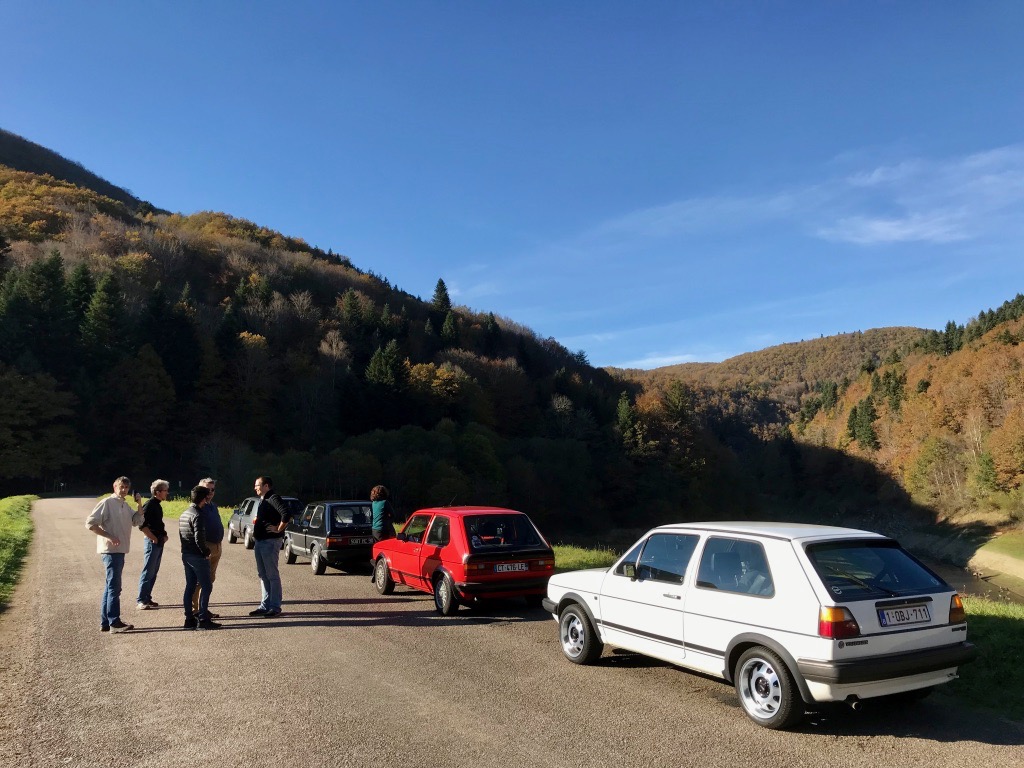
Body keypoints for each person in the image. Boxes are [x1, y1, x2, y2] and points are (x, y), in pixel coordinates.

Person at [86, 476, 144, 633]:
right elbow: (90, 524)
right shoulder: (107, 502)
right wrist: (109, 536)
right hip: (111, 551)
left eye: (126, 487)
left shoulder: (124, 504)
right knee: (114, 587)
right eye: (121, 486)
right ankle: (114, 622)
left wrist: (139, 503)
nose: (123, 490)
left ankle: (106, 622)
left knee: (110, 587)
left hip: (120, 550)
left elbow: (137, 521)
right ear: (114, 487)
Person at [179, 485, 220, 630]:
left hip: (186, 554)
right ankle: (203, 619)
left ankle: (189, 619)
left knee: (190, 586)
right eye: (207, 495)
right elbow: (199, 538)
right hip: (197, 555)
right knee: (207, 586)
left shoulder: (184, 513)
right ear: (203, 498)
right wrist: (206, 552)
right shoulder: (198, 515)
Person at [249, 476, 290, 618]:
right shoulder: (264, 499)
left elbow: (286, 514)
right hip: (260, 541)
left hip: (270, 542)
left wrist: (279, 529)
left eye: (257, 485)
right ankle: (265, 605)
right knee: (263, 575)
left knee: (272, 575)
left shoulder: (273, 498)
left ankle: (275, 607)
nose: (255, 488)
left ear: (266, 486)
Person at [191, 477, 224, 619]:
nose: (210, 492)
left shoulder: (213, 506)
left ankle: (203, 608)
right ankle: (194, 610)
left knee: (209, 580)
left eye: (212, 490)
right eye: (206, 490)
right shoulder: (198, 507)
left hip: (217, 546)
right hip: (205, 547)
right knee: (199, 580)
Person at [136, 478, 170, 610]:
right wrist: (153, 538)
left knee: (153, 572)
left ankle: (147, 598)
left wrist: (164, 536)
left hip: (158, 542)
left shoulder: (157, 504)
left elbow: (158, 524)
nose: (167, 493)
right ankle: (141, 600)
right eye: (165, 490)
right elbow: (141, 524)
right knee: (148, 571)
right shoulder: (150, 504)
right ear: (157, 492)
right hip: (152, 543)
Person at [368, 484, 396, 580]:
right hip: (383, 529)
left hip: (375, 530)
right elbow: (393, 515)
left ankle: (375, 573)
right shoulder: (385, 503)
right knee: (385, 552)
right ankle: (378, 573)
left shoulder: (373, 503)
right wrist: (388, 522)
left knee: (378, 551)